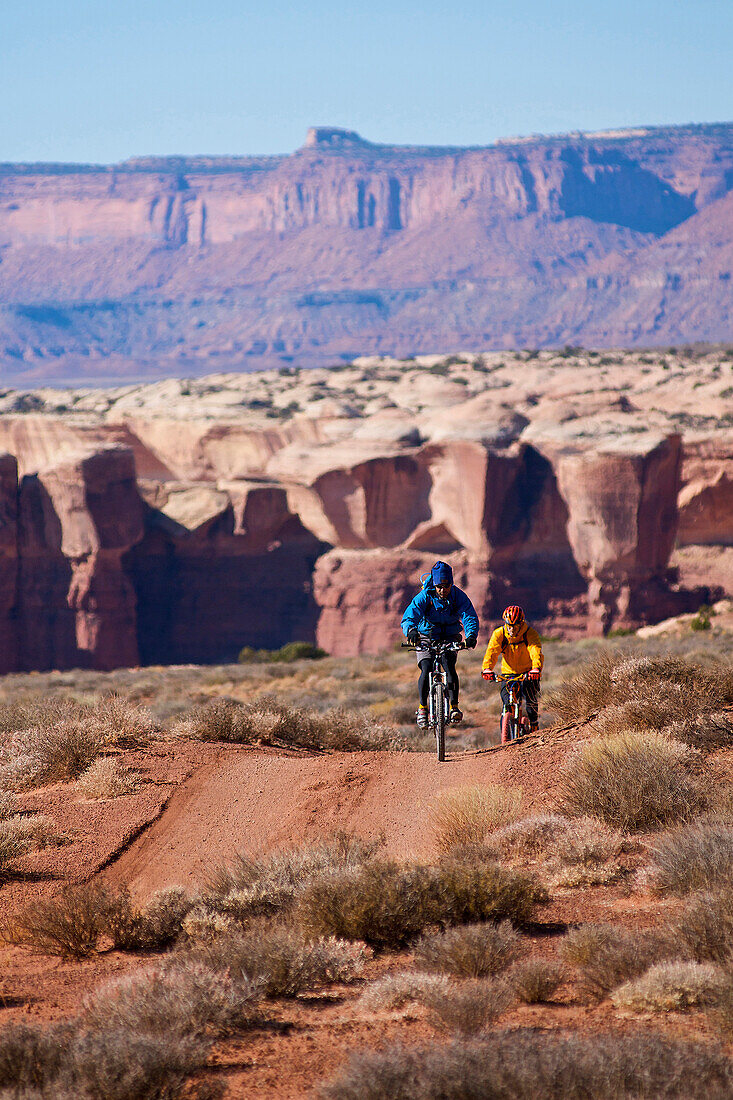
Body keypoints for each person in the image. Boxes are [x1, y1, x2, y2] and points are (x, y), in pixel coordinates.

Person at [401, 561, 479, 728]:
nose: (443, 590)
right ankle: (423, 708)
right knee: (426, 667)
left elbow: (469, 616)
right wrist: (411, 632)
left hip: (450, 636)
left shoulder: (459, 596)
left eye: (446, 586)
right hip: (426, 635)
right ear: (434, 585)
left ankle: (454, 707)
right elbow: (410, 616)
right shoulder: (424, 596)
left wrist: (471, 635)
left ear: (451, 583)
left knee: (449, 666)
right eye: (439, 586)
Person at [481, 605, 543, 733]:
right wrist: (487, 669)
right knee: (506, 706)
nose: (511, 629)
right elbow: (492, 652)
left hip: (528, 673)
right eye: (509, 625)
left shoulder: (530, 634)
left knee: (530, 704)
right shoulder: (499, 634)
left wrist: (536, 668)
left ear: (521, 624)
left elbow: (535, 651)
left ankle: (534, 726)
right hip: (508, 674)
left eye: (515, 626)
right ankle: (505, 736)